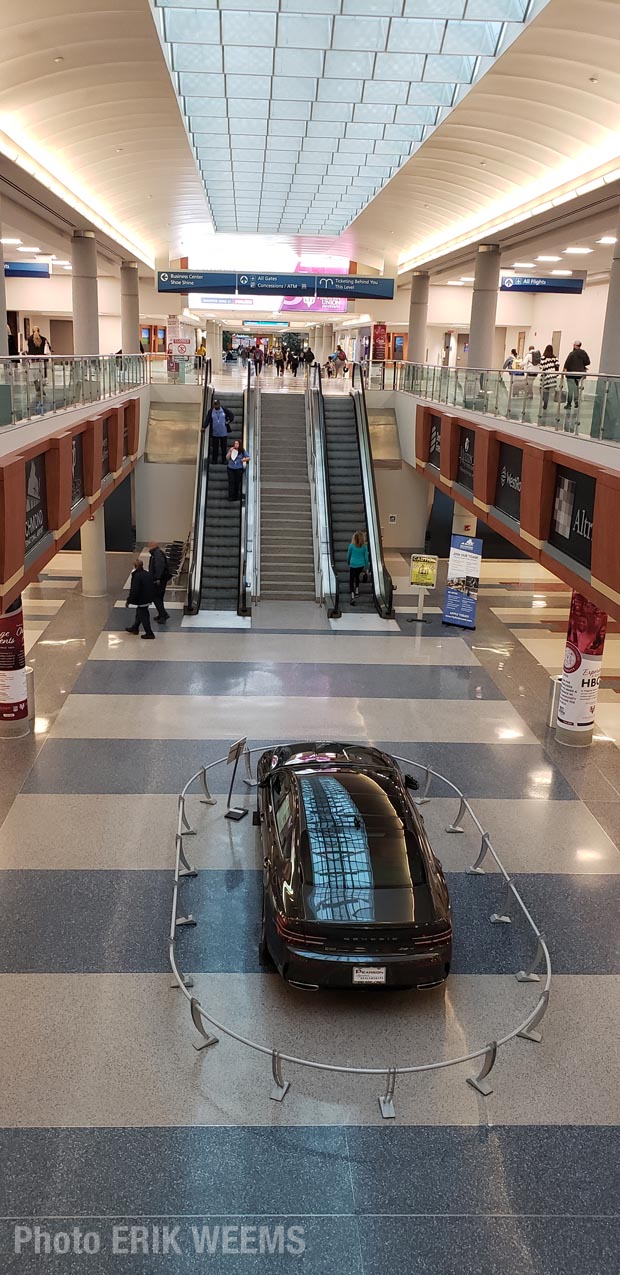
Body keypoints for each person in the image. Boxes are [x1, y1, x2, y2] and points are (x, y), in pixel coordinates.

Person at [125, 556, 155, 639]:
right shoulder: (147, 574)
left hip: (142, 599)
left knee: (143, 615)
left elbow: (134, 590)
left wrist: (129, 600)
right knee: (139, 613)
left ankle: (149, 633)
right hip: (148, 597)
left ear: (135, 566)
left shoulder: (137, 576)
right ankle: (135, 628)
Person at [563, 341, 590, 412]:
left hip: (571, 374)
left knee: (570, 390)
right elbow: (588, 362)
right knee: (576, 388)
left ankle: (569, 404)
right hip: (579, 374)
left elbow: (567, 363)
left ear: (575, 345)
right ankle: (576, 401)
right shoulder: (583, 353)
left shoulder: (572, 354)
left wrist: (564, 372)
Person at [148, 541, 171, 624]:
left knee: (155, 597)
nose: (148, 547)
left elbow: (159, 567)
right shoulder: (156, 553)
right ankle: (161, 614)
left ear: (153, 546)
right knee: (159, 598)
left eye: (149, 545)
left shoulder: (157, 554)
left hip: (159, 580)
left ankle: (163, 614)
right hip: (160, 579)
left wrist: (157, 578)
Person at [206, 398, 234, 463]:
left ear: (219, 404)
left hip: (223, 433)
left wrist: (229, 421)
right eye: (215, 405)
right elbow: (207, 420)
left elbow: (231, 415)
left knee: (223, 447)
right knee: (215, 447)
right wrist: (204, 427)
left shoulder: (224, 410)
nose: (216, 406)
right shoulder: (211, 411)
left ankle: (224, 460)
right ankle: (214, 460)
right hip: (214, 433)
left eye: (217, 404)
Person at [347, 531, 370, 606]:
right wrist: (366, 568)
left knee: (351, 579)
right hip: (361, 565)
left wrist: (348, 562)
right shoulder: (364, 546)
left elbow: (348, 555)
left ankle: (352, 594)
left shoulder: (351, 546)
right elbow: (366, 558)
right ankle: (357, 590)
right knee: (357, 576)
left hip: (353, 564)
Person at [540, 344, 560, 411]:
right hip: (553, 375)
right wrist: (556, 374)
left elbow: (541, 367)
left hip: (545, 376)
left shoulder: (543, 358)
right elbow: (557, 365)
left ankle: (545, 401)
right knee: (548, 390)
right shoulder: (555, 358)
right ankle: (546, 402)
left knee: (543, 389)